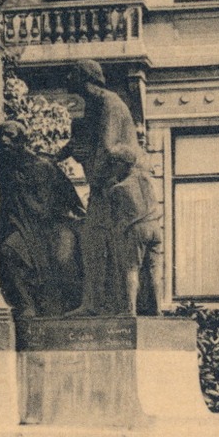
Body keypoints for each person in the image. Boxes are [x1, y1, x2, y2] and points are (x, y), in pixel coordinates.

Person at [57, 59, 142, 316]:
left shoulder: (108, 103)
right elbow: (78, 144)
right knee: (93, 241)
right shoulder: (94, 106)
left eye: (73, 72)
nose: (68, 77)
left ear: (85, 77)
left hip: (115, 189)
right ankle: (93, 303)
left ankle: (104, 305)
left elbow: (106, 148)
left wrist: (90, 165)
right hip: (103, 187)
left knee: (105, 244)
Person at [0, 121, 85, 317]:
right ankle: (27, 304)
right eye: (1, 136)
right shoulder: (4, 170)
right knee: (9, 250)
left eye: (10, 136)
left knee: (64, 261)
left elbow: (49, 206)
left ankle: (70, 309)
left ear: (22, 140)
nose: (4, 140)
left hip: (54, 224)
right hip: (26, 228)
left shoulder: (42, 166)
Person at [101, 144, 163, 316]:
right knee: (154, 269)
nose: (112, 168)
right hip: (156, 227)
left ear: (122, 163)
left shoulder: (118, 189)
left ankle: (130, 310)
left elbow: (114, 218)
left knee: (131, 268)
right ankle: (157, 308)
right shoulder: (146, 179)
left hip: (137, 229)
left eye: (114, 163)